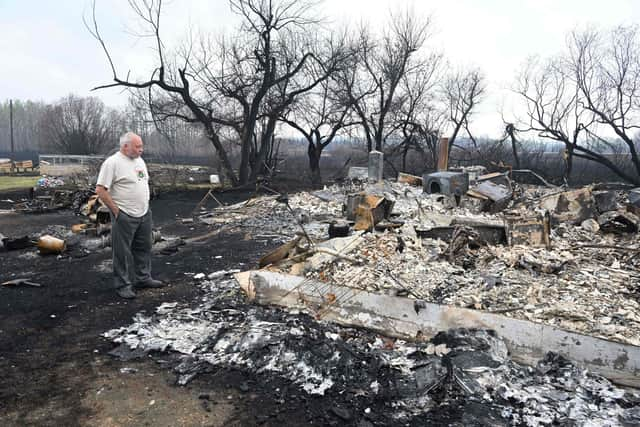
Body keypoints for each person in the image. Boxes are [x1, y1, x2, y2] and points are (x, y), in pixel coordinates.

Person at [96, 132, 164, 299]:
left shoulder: (139, 161)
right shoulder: (112, 163)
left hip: (144, 213)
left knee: (144, 246)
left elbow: (141, 182)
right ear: (125, 146)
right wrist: (117, 212)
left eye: (141, 146)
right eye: (137, 146)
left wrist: (145, 206)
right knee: (122, 252)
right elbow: (100, 190)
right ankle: (123, 285)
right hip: (124, 214)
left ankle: (143, 278)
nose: (141, 149)